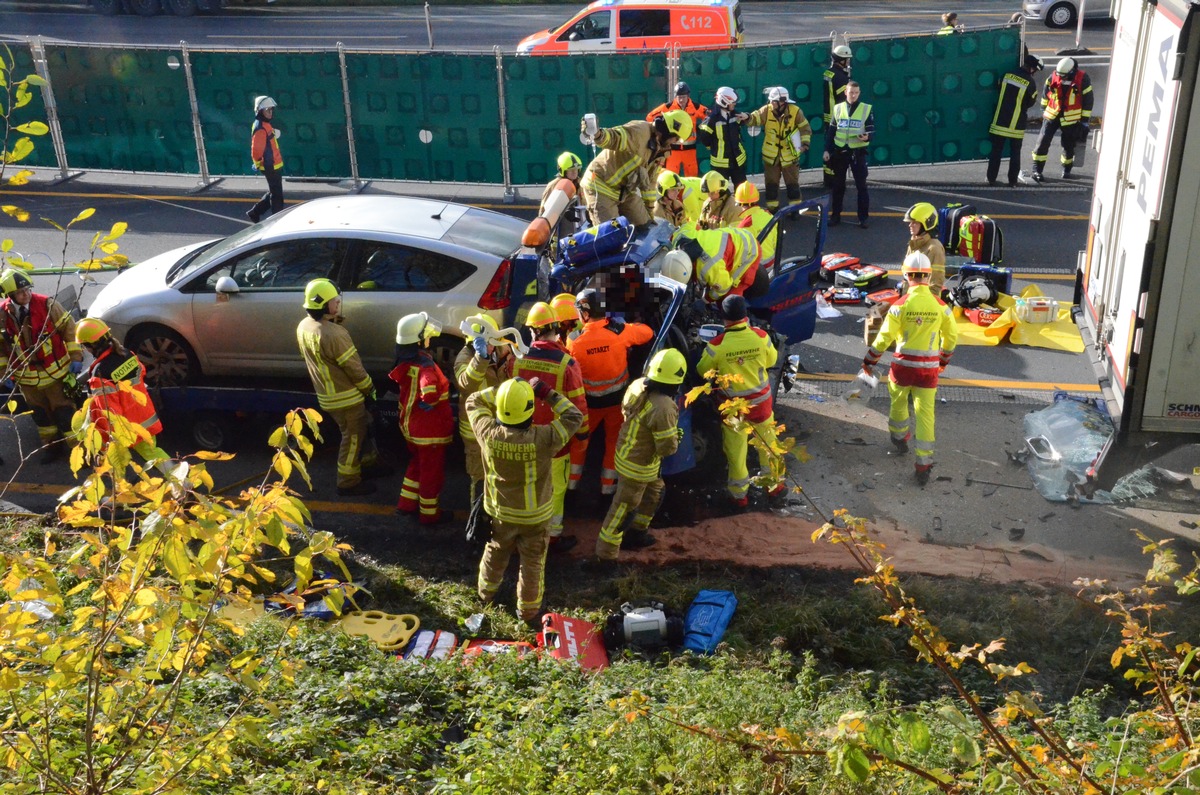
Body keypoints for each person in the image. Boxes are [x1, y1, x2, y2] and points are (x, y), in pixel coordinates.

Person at [468, 376, 583, 628]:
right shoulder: (544, 438)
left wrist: (503, 389)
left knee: (495, 552)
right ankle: (528, 613)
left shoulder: (487, 432)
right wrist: (546, 393)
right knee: (532, 563)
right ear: (530, 410)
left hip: (499, 513)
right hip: (535, 517)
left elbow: (472, 401)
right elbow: (574, 417)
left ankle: (485, 596)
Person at [861, 251, 959, 487]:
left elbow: (884, 338)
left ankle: (899, 438)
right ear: (928, 276)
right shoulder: (940, 306)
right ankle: (923, 465)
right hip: (928, 371)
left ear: (906, 276)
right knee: (926, 414)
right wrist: (943, 361)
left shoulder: (900, 305)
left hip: (902, 368)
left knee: (897, 403)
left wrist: (870, 361)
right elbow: (951, 337)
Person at [590, 348, 684, 566]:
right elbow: (667, 449)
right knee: (622, 511)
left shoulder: (637, 385)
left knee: (654, 493)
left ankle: (636, 533)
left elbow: (626, 412)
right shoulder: (664, 407)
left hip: (632, 456)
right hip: (638, 467)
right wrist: (676, 437)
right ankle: (605, 557)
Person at [509, 302, 589, 551]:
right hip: (556, 441)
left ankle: (521, 531)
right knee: (555, 489)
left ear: (534, 331)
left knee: (525, 485)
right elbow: (578, 404)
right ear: (556, 329)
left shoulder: (517, 360)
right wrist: (582, 434)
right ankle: (552, 535)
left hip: (523, 434)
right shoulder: (567, 364)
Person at [697, 295, 785, 509]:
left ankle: (739, 498)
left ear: (724, 318)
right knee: (768, 447)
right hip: (762, 406)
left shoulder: (717, 345)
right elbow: (772, 360)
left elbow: (702, 372)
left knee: (736, 455)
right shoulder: (761, 336)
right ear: (745, 316)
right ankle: (775, 489)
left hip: (734, 412)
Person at [296, 278, 382, 497]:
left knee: (362, 431)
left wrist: (332, 322)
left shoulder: (304, 326)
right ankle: (348, 482)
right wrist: (370, 390)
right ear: (324, 305)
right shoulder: (335, 334)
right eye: (334, 301)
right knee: (352, 438)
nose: (337, 305)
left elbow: (324, 350)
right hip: (347, 398)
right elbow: (354, 369)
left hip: (327, 396)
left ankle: (368, 466)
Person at [567, 288, 653, 496]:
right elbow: (648, 333)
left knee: (579, 444)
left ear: (585, 314)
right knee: (613, 445)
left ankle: (570, 490)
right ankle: (607, 491)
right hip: (617, 404)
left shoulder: (573, 341)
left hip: (589, 406)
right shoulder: (620, 332)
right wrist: (632, 324)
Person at [0, 269, 82, 463]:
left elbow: (70, 331)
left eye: (27, 289)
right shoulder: (2, 316)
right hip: (26, 379)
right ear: (9, 296)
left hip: (55, 374)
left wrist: (76, 356)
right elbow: (1, 349)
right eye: (20, 292)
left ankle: (79, 451)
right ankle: (52, 447)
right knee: (41, 416)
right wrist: (4, 373)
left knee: (65, 413)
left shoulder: (47, 305)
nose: (26, 294)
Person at [74, 317, 167, 465]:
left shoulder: (100, 373)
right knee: (154, 453)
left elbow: (109, 411)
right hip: (145, 416)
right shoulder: (126, 354)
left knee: (116, 465)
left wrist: (107, 440)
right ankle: (182, 480)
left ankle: (179, 480)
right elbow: (141, 373)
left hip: (126, 428)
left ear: (90, 346)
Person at [390, 312, 453, 525]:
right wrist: (432, 400)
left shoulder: (405, 361)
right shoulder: (425, 366)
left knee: (415, 466)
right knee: (431, 474)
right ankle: (429, 514)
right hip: (430, 433)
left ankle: (405, 505)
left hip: (411, 429)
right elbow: (430, 390)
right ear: (419, 340)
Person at [580, 111, 693, 226]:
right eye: (676, 138)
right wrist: (598, 135)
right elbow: (615, 137)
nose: (675, 142)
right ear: (669, 131)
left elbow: (650, 182)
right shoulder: (640, 132)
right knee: (611, 234)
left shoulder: (662, 151)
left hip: (626, 191)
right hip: (601, 186)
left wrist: (649, 212)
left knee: (645, 226)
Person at [455, 314, 512, 505]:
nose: (491, 346)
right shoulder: (464, 358)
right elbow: (466, 385)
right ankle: (478, 517)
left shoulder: (502, 350)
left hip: (499, 426)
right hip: (475, 430)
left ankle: (497, 512)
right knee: (479, 477)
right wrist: (481, 357)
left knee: (501, 473)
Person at [745, 86, 812, 209]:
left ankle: (795, 210)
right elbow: (755, 118)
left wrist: (804, 145)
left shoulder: (796, 111)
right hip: (771, 157)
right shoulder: (766, 110)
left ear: (782, 101)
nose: (771, 103)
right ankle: (772, 210)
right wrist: (747, 117)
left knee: (793, 186)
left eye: (773, 101)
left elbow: (805, 128)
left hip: (790, 157)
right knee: (771, 186)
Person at [1031, 57, 1094, 182]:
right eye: (1060, 75)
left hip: (1070, 118)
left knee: (1068, 145)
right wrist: (1044, 110)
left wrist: (1084, 121)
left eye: (1064, 76)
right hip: (1052, 115)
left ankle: (1066, 169)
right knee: (1042, 142)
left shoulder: (1083, 79)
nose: (1061, 78)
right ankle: (1036, 170)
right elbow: (1045, 95)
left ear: (1072, 71)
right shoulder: (1053, 76)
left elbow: (1088, 100)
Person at [824, 80, 874, 228]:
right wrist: (827, 150)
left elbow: (871, 129)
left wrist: (867, 137)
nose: (853, 95)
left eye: (856, 93)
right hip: (840, 152)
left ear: (859, 93)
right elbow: (831, 132)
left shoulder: (866, 108)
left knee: (861, 186)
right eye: (851, 92)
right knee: (838, 186)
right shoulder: (838, 108)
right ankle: (835, 216)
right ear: (846, 92)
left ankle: (863, 218)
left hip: (858, 153)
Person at [671, 224, 765, 302]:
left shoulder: (708, 266)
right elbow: (693, 225)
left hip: (748, 250)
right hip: (732, 238)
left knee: (729, 300)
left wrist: (706, 300)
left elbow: (723, 288)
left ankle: (739, 323)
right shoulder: (679, 237)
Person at [988, 54, 1042, 187]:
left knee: (996, 151)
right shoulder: (1030, 83)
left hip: (999, 121)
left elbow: (998, 87)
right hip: (1016, 125)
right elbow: (1030, 102)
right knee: (1015, 153)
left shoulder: (1007, 75)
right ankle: (1012, 181)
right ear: (1032, 68)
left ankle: (991, 179)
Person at [646, 81, 709, 177]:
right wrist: (663, 129)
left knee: (692, 176)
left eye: (683, 97)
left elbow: (709, 116)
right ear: (675, 96)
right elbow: (650, 117)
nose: (681, 100)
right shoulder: (668, 107)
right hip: (673, 149)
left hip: (690, 149)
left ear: (688, 96)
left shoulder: (695, 107)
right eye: (679, 97)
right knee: (671, 176)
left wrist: (702, 129)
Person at [696, 87, 749, 188]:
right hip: (720, 165)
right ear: (724, 102)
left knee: (742, 190)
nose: (735, 104)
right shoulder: (712, 119)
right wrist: (714, 147)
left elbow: (746, 121)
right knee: (720, 192)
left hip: (738, 161)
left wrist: (747, 116)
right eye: (732, 102)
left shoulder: (736, 114)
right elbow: (704, 137)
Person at [248, 95, 284, 223]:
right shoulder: (260, 127)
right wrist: (257, 162)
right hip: (269, 165)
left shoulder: (265, 125)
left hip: (274, 164)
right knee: (277, 195)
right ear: (259, 111)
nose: (270, 112)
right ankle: (277, 220)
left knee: (274, 191)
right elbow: (256, 149)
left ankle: (255, 212)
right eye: (267, 110)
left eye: (271, 110)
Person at [823, 44, 853, 186]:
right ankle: (836, 181)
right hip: (838, 119)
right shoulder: (842, 78)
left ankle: (828, 179)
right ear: (841, 60)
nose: (848, 62)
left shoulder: (828, 73)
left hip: (827, 117)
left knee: (828, 148)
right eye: (847, 59)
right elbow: (844, 101)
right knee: (839, 150)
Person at [903, 202, 948, 292]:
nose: (910, 225)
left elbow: (935, 285)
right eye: (910, 222)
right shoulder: (914, 243)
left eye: (914, 223)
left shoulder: (934, 248)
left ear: (927, 224)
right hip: (910, 297)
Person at [734, 183, 778, 269]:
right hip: (773, 264)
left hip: (756, 270)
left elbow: (741, 255)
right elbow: (775, 241)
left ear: (740, 204)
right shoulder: (768, 215)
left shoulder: (745, 226)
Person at [540, 152, 583, 216]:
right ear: (562, 170)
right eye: (571, 170)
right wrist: (564, 212)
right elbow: (544, 211)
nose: (574, 172)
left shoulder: (582, 183)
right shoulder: (553, 186)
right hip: (561, 223)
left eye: (576, 169)